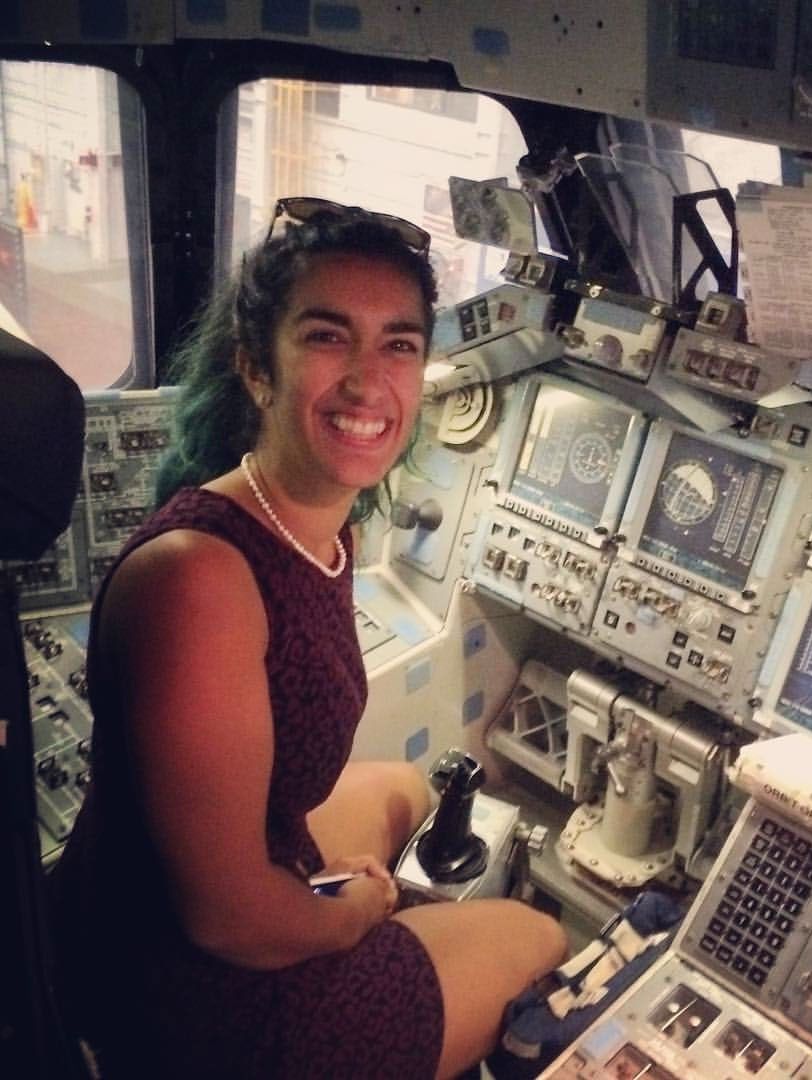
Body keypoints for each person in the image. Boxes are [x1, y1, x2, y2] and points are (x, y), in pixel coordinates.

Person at [49, 198, 567, 1079]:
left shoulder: (320, 527)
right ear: (257, 368)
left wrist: (351, 901)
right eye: (329, 337)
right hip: (179, 997)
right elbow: (229, 922)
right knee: (536, 935)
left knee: (406, 788)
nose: (370, 383)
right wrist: (356, 914)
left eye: (399, 344)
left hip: (162, 896)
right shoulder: (198, 582)